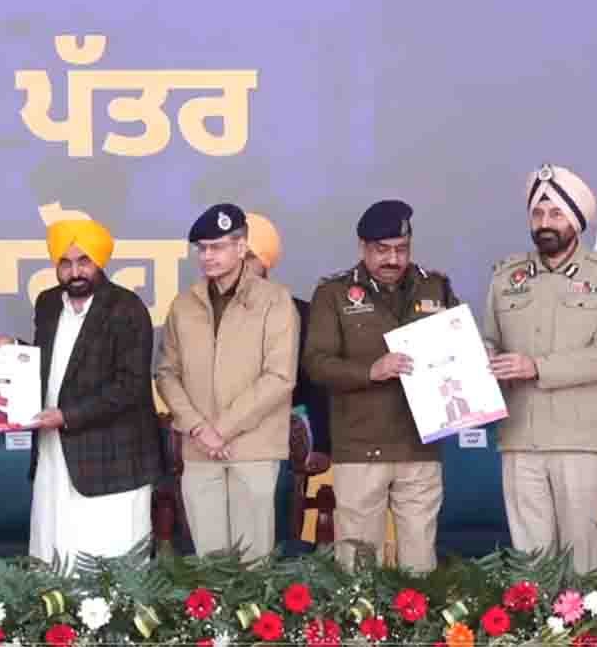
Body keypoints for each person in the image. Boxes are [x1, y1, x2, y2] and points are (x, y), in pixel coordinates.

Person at [303, 200, 458, 573]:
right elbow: (316, 364)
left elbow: (459, 348)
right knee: (358, 566)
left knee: (420, 566)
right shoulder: (334, 293)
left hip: (420, 446)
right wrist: (370, 371)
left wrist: (476, 353)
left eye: (401, 249)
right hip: (360, 447)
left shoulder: (434, 286)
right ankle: (360, 617)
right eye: (382, 250)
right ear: (362, 247)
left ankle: (417, 615)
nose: (393, 259)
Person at [483, 163, 597, 574]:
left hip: (580, 440)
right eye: (538, 213)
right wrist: (480, 360)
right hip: (519, 439)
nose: (545, 223)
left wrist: (536, 367)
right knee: (531, 565)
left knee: (581, 564)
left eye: (557, 213)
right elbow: (491, 341)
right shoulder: (506, 276)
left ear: (576, 221)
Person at [1, 218, 163, 564]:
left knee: (110, 562)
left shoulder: (127, 308)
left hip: (113, 458)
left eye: (83, 261)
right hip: (54, 452)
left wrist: (66, 416)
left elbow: (130, 385)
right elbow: (51, 363)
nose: (75, 272)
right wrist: (12, 351)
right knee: (55, 555)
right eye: (65, 263)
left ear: (99, 261)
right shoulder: (47, 303)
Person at [156, 204, 299, 559]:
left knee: (253, 564)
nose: (207, 256)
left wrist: (221, 429)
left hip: (253, 450)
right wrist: (198, 428)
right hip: (200, 450)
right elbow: (166, 373)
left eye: (217, 247)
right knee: (210, 564)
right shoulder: (183, 305)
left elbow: (280, 377)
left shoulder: (275, 301)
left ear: (241, 247)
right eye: (202, 248)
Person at [243, 213, 331, 456]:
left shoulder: (299, 314)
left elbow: (316, 388)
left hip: (280, 450)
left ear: (265, 262)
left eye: (249, 257)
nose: (239, 265)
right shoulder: (200, 313)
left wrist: (320, 447)